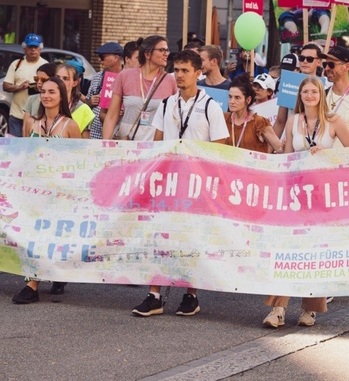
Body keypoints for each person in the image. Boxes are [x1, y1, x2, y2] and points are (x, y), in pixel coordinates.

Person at [132, 50, 229, 318]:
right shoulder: (166, 104)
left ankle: (191, 294)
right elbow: (158, 142)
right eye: (176, 70)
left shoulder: (210, 106)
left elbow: (219, 149)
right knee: (160, 235)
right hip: (168, 181)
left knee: (192, 238)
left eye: (185, 70)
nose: (179, 75)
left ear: (198, 73)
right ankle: (154, 295)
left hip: (196, 184)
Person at [263, 76, 349, 328]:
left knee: (316, 251)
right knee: (287, 249)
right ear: (300, 95)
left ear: (321, 94)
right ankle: (278, 309)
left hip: (323, 195)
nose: (310, 96)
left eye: (314, 91)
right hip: (295, 194)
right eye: (305, 92)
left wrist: (327, 155)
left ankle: (310, 309)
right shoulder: (293, 120)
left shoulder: (334, 120)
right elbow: (287, 157)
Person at [12, 76, 82, 304]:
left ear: (61, 96)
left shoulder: (70, 125)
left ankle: (53, 275)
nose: (46, 96)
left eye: (52, 92)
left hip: (60, 192)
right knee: (34, 237)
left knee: (53, 238)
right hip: (35, 191)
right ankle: (32, 285)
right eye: (43, 92)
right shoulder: (33, 122)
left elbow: (79, 161)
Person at [102, 35, 177, 141]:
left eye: (167, 50)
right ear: (147, 54)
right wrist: (105, 144)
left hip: (155, 145)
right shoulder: (125, 76)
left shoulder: (171, 81)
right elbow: (111, 116)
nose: (166, 54)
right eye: (161, 50)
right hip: (127, 143)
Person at [273, 44, 326, 137]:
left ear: (318, 62)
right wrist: (270, 145)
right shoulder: (289, 82)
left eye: (309, 59)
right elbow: (280, 122)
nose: (305, 61)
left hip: (314, 139)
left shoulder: (324, 86)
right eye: (302, 58)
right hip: (291, 140)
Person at [3, 33, 48, 137]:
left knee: (32, 145)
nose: (33, 50)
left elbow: (52, 87)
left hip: (37, 115)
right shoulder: (16, 64)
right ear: (24, 49)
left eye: (35, 47)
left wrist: (38, 88)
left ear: (40, 49)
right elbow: (5, 86)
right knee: (16, 144)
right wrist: (19, 87)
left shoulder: (45, 65)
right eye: (30, 47)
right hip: (16, 115)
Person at [224, 75, 282, 152]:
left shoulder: (259, 122)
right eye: (230, 97)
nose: (231, 101)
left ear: (248, 100)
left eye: (237, 98)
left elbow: (279, 148)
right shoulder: (223, 118)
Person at [86, 42, 125, 139]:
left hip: (116, 135)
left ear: (115, 58)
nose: (99, 60)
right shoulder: (97, 77)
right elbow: (86, 104)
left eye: (102, 57)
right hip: (94, 135)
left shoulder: (126, 77)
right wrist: (90, 102)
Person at [56, 62, 95, 137]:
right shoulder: (46, 103)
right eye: (57, 77)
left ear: (75, 83)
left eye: (65, 78)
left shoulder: (83, 109)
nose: (60, 81)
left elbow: (85, 141)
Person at [21, 63, 58, 137]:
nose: (39, 82)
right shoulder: (31, 100)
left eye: (43, 79)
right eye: (36, 79)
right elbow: (25, 128)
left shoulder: (58, 99)